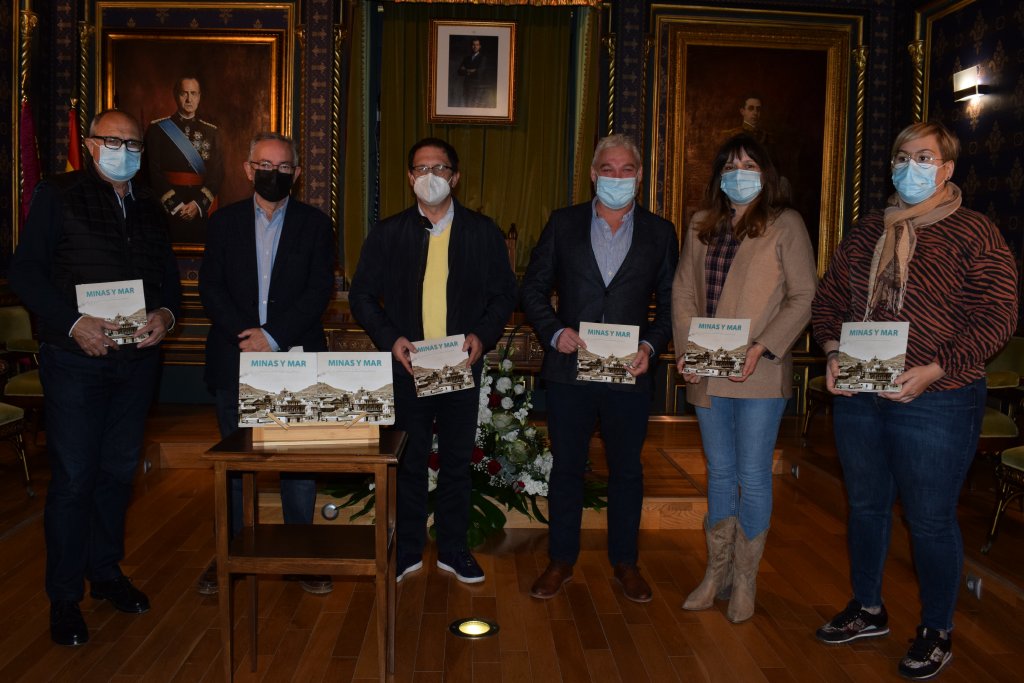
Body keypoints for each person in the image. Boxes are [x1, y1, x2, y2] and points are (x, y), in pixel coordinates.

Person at [811, 121, 1017, 680]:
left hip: (939, 399)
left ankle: (936, 630)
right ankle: (868, 608)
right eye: (903, 157)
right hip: (861, 394)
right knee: (865, 507)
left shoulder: (975, 232)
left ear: (947, 169)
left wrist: (936, 368)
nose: (911, 167)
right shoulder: (865, 231)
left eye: (924, 158)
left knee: (929, 520)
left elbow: (998, 314)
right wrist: (832, 352)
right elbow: (828, 302)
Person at [9, 109, 181, 646]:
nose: (124, 151)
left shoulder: (150, 205)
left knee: (117, 473)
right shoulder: (57, 195)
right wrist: (73, 323)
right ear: (89, 144)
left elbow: (169, 285)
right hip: (75, 361)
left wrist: (166, 316)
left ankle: (105, 572)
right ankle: (64, 597)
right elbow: (25, 273)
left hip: (137, 364)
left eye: (133, 144)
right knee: (75, 478)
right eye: (113, 141)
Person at [349, 137, 517, 585]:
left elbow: (504, 295)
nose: (430, 176)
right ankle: (407, 548)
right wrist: (391, 338)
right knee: (408, 461)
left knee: (457, 462)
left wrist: (483, 335)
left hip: (460, 365)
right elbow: (361, 295)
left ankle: (453, 549)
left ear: (455, 177)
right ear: (410, 178)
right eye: (421, 168)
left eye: (439, 168)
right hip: (409, 368)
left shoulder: (482, 232)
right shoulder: (388, 233)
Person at [520, 134, 677, 603]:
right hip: (570, 370)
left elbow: (672, 303)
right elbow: (532, 288)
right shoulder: (563, 223)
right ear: (593, 175)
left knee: (627, 470)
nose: (616, 177)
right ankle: (560, 561)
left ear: (639, 176)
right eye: (607, 169)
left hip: (630, 374)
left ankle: (626, 563)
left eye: (626, 169)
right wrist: (554, 331)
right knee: (567, 467)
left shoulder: (660, 232)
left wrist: (650, 345)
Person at [672, 134, 817, 623]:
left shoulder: (785, 223)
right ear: (718, 175)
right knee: (719, 472)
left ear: (766, 173)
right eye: (730, 165)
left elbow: (804, 296)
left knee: (753, 475)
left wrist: (763, 346)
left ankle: (746, 580)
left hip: (761, 369)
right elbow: (683, 293)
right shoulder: (700, 224)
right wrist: (688, 352)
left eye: (749, 165)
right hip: (708, 370)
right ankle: (717, 574)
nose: (739, 173)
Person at [197, 131, 335, 596]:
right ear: (248, 168)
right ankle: (229, 556)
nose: (273, 173)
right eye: (265, 165)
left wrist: (272, 337)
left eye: (283, 167)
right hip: (234, 356)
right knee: (234, 466)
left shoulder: (316, 225)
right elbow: (210, 287)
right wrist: (248, 336)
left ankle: (301, 555)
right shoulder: (222, 223)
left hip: (294, 358)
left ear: (296, 174)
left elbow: (318, 291)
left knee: (298, 465)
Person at [144, 76, 224, 244]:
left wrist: (198, 204)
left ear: (199, 97)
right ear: (176, 95)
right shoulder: (157, 130)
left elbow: (217, 174)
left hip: (200, 207)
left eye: (193, 93)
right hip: (168, 209)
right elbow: (152, 172)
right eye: (184, 93)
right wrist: (176, 205)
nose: (189, 99)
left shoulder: (212, 132)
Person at [456, 38, 489, 108]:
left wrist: (466, 69)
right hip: (467, 86)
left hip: (477, 87)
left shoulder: (483, 58)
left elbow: (479, 72)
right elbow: (459, 71)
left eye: (477, 45)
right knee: (466, 105)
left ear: (480, 46)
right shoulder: (466, 58)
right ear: (471, 46)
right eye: (473, 45)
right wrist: (471, 70)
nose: (475, 46)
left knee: (475, 107)